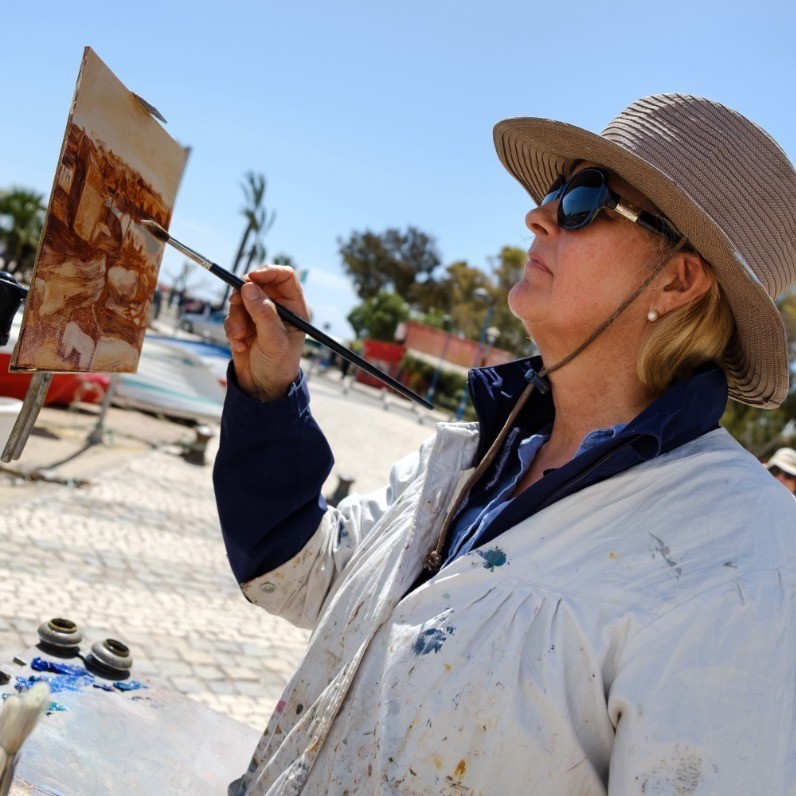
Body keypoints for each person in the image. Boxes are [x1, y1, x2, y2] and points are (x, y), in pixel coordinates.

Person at [214, 95, 796, 794]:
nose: (538, 214)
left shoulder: (747, 564)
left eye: (584, 200)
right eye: (554, 190)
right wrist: (269, 394)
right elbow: (297, 573)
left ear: (676, 280)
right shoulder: (461, 462)